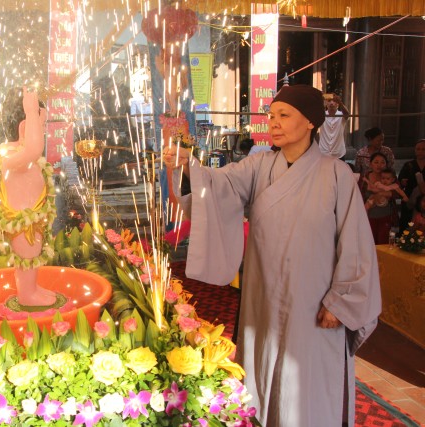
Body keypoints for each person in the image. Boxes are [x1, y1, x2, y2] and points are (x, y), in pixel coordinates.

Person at [164, 84, 381, 427]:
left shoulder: (336, 174)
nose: (274, 122)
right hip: (264, 293)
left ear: (310, 121)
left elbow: (355, 243)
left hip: (313, 301)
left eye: (284, 115)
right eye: (271, 116)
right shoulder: (258, 165)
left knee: (307, 383)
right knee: (263, 371)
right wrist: (188, 165)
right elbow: (218, 186)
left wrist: (341, 302)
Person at [0, 87, 58, 307]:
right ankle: (27, 295)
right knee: (26, 257)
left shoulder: (20, 156)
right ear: (24, 128)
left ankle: (32, 289)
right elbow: (34, 149)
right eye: (40, 127)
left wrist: (35, 117)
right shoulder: (12, 158)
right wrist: (31, 111)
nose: (43, 132)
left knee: (31, 258)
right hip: (22, 225)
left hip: (33, 221)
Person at [363, 166, 407, 244]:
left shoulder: (393, 186)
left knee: (383, 239)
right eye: (383, 178)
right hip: (372, 210)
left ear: (393, 179)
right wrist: (368, 183)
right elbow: (372, 189)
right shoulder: (379, 184)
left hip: (386, 213)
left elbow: (400, 192)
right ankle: (363, 213)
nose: (385, 180)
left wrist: (405, 197)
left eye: (388, 179)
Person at [397, 139, 425, 231]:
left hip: (423, 200)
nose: (420, 151)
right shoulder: (408, 165)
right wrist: (402, 182)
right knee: (407, 224)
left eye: (423, 149)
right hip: (409, 198)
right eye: (418, 149)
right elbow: (399, 181)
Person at [317, 93, 350, 159]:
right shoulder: (322, 115)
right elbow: (316, 116)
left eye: (334, 101)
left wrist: (340, 102)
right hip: (324, 152)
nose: (331, 103)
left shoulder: (341, 115)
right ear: (326, 103)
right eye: (329, 101)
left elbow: (347, 114)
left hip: (338, 153)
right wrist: (321, 103)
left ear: (337, 104)